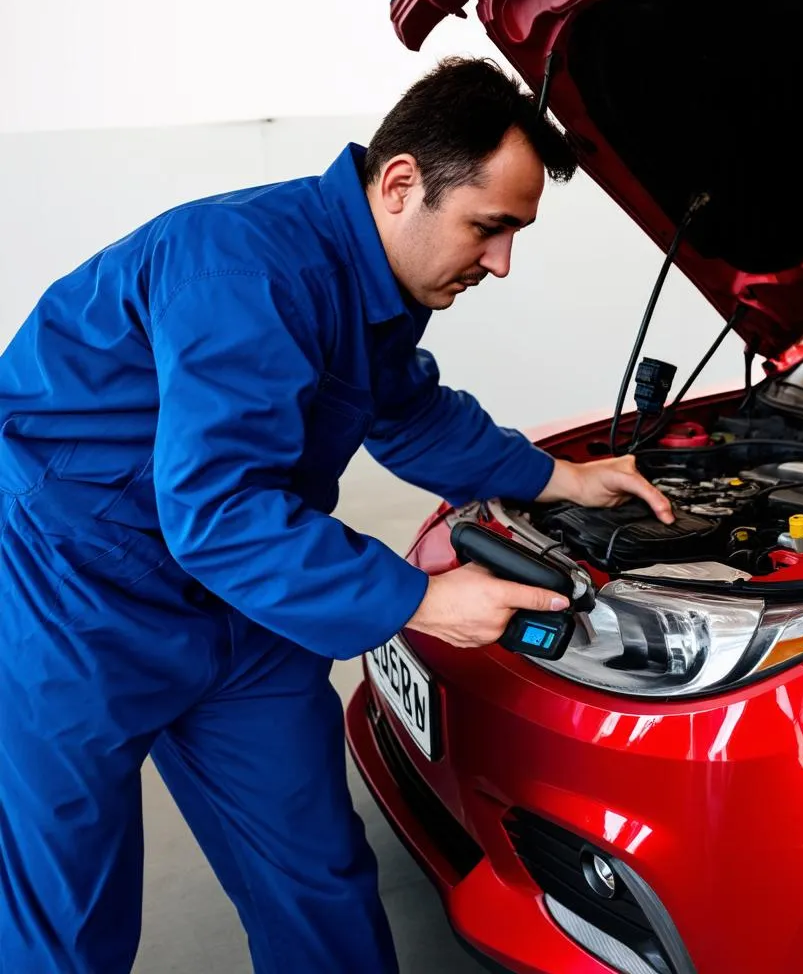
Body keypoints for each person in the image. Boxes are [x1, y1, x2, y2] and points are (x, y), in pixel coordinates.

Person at [0, 56, 673, 973]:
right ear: (401, 184)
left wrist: (559, 478)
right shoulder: (241, 268)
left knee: (316, 873)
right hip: (77, 594)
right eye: (491, 227)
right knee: (67, 912)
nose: (503, 263)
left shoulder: (379, 282)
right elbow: (217, 508)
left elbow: (404, 411)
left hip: (245, 597)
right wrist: (420, 600)